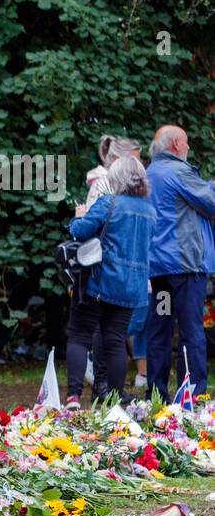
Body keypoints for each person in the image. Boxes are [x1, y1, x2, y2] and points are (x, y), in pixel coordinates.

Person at [64, 156, 157, 407]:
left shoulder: (109, 202)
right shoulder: (150, 210)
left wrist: (77, 216)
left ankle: (73, 396)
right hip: (132, 287)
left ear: (115, 179)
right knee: (115, 341)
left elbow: (80, 231)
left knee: (79, 336)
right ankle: (113, 399)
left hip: (99, 281)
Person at [144, 125, 215, 396]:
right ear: (175, 144)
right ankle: (193, 394)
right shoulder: (179, 171)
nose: (188, 147)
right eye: (186, 142)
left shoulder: (149, 173)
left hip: (160, 271)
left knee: (160, 329)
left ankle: (156, 394)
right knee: (190, 330)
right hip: (186, 267)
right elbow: (211, 203)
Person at [83, 135, 146, 396]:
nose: (140, 164)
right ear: (120, 160)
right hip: (110, 269)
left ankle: (108, 386)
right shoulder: (105, 187)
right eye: (136, 158)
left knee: (114, 332)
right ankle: (104, 384)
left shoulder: (122, 191)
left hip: (119, 268)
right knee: (110, 332)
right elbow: (91, 226)